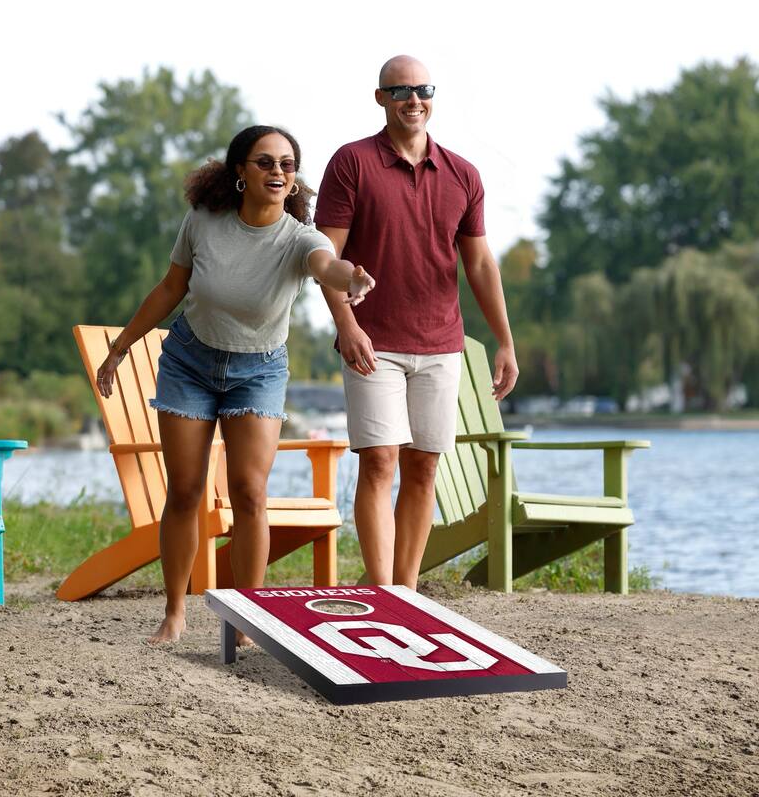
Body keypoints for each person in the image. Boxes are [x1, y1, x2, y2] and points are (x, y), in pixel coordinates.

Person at [95, 125, 375, 643]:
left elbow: (326, 266)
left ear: (294, 180)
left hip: (259, 370)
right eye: (265, 162)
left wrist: (350, 280)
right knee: (185, 491)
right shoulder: (204, 220)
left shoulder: (299, 238)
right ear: (240, 172)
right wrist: (122, 346)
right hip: (189, 362)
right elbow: (170, 287)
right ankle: (175, 613)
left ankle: (249, 618)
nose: (277, 172)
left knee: (250, 493)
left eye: (287, 164)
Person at [315, 55, 518, 589]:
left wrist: (504, 341)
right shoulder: (351, 163)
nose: (413, 100)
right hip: (372, 343)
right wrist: (347, 325)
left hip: (441, 344)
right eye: (400, 90)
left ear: (432, 96)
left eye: (422, 89)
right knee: (380, 462)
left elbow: (479, 263)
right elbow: (323, 258)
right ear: (380, 98)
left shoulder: (463, 174)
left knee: (424, 466)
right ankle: (381, 590)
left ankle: (405, 588)